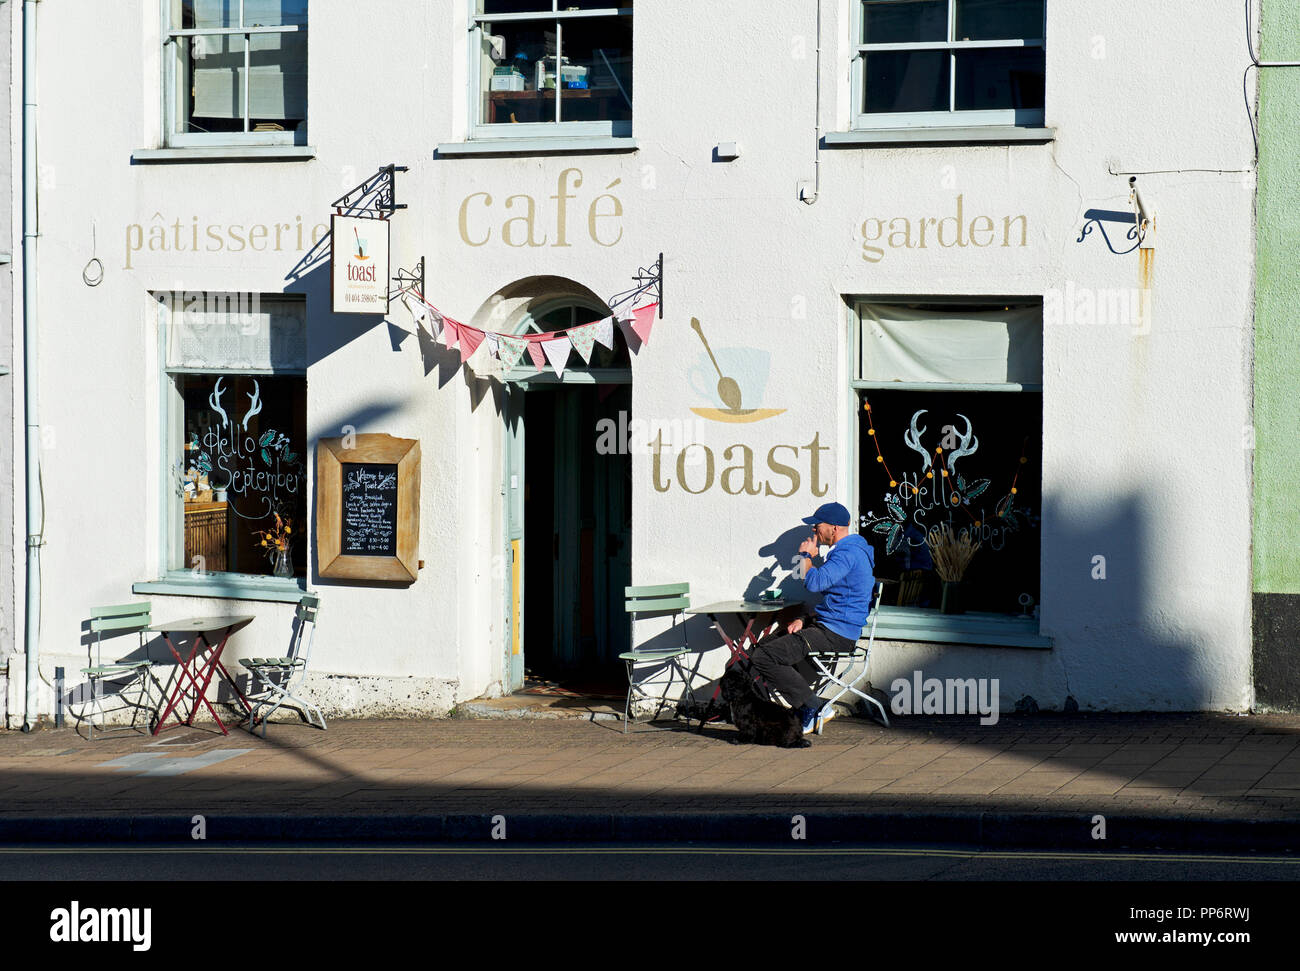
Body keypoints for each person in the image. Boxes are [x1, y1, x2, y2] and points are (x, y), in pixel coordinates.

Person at [748, 501, 876, 735]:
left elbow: (814, 583)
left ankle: (813, 707)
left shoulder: (847, 554)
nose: (814, 531)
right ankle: (764, 713)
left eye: (817, 526)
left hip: (836, 634)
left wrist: (806, 555)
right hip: (828, 626)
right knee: (763, 647)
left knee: (764, 656)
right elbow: (837, 598)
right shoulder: (847, 553)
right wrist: (805, 618)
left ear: (834, 528)